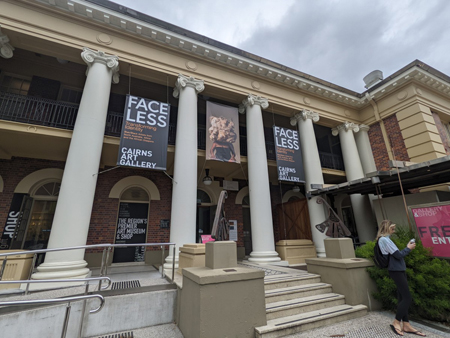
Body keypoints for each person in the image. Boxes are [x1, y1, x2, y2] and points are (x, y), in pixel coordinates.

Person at [377, 220, 426, 337]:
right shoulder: (384, 240)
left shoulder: (386, 239)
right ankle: (396, 322)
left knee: (402, 297)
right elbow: (398, 255)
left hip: (398, 270)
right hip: (396, 270)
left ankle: (407, 324)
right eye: (392, 228)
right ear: (386, 228)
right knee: (407, 298)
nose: (394, 231)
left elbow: (396, 254)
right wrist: (408, 248)